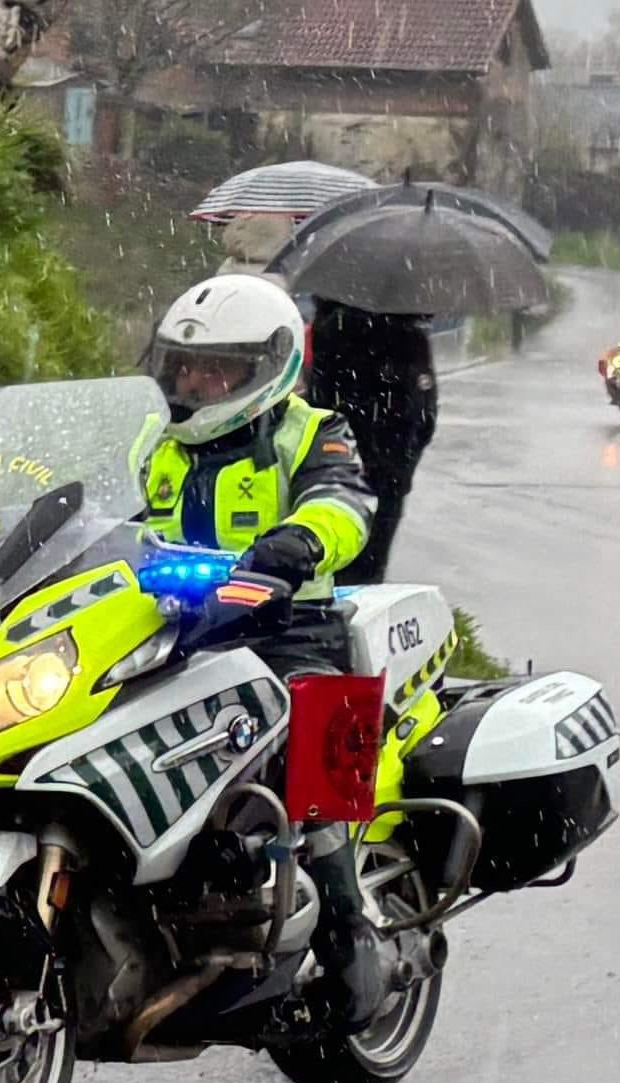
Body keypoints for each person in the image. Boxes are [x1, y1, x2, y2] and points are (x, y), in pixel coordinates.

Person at [141, 273, 385, 1031]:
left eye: (218, 368)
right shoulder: (156, 446)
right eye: (186, 366)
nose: (197, 381)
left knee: (303, 757)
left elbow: (346, 503)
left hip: (291, 627)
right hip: (183, 627)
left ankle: (350, 932)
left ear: (266, 367)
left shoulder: (312, 431)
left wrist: (298, 540)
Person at [309, 301, 437, 584]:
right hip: (386, 478)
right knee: (367, 579)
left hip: (331, 471)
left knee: (323, 568)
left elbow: (317, 403)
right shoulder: (410, 337)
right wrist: (398, 467)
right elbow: (425, 416)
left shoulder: (330, 328)